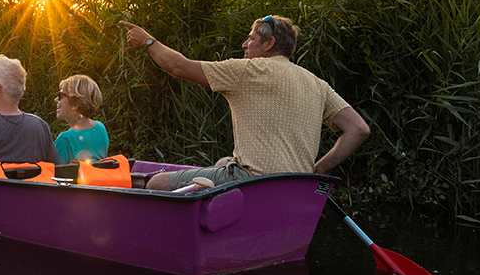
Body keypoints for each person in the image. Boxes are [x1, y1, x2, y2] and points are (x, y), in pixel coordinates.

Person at [119, 15, 370, 191]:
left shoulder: (249, 70)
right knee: (222, 163)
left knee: (156, 183)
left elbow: (178, 66)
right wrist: (318, 170)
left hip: (253, 182)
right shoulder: (317, 84)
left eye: (250, 39)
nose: (244, 44)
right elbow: (358, 129)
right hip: (296, 186)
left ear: (269, 44)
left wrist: (148, 41)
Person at [53, 74, 109, 163]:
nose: (56, 100)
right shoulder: (100, 128)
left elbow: (52, 170)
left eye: (60, 96)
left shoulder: (65, 139)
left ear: (75, 104)